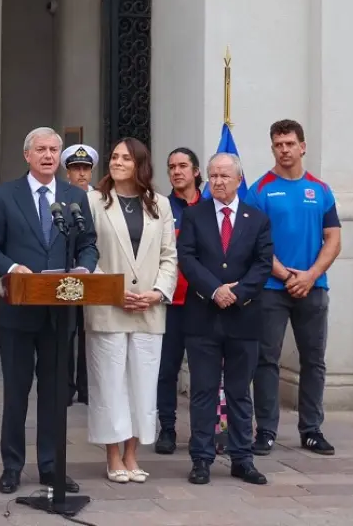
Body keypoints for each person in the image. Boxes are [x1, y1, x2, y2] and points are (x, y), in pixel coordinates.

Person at [0, 126, 99, 495]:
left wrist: (85, 268)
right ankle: (12, 466)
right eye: (41, 150)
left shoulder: (74, 196)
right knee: (17, 392)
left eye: (53, 150)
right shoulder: (4, 195)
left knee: (54, 394)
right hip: (19, 309)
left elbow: (89, 242)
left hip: (60, 312)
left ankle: (51, 466)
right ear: (27, 155)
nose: (48, 156)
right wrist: (13, 269)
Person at [83, 137, 177, 484]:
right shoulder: (94, 201)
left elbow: (169, 256)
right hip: (109, 308)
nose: (117, 162)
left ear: (140, 164)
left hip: (148, 310)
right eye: (114, 157)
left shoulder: (160, 205)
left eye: (125, 158)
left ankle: (132, 453)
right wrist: (110, 291)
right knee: (109, 383)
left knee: (142, 384)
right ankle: (112, 455)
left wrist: (157, 292)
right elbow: (84, 253)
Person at [246, 119, 342, 456]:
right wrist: (288, 276)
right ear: (272, 148)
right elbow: (257, 244)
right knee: (266, 360)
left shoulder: (321, 189)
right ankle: (267, 431)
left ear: (303, 146)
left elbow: (333, 239)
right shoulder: (259, 191)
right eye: (278, 144)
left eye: (289, 143)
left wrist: (310, 275)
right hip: (272, 289)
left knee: (313, 361)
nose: (284, 150)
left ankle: (312, 429)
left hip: (313, 288)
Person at [177, 152, 273, 486]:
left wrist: (239, 292)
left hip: (243, 317)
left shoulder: (257, 218)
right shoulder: (194, 216)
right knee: (203, 391)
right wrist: (214, 289)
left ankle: (242, 458)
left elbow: (263, 264)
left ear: (238, 180)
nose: (218, 182)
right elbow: (186, 258)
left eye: (225, 176)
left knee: (239, 392)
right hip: (203, 316)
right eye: (213, 176)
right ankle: (201, 458)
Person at [155, 147, 203, 454]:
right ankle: (168, 429)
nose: (176, 171)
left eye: (183, 165)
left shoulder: (211, 206)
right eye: (171, 166)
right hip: (170, 302)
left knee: (203, 371)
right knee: (166, 370)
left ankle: (203, 430)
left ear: (196, 171)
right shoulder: (159, 207)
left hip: (201, 302)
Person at [60, 143, 99, 405]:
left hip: (94, 274)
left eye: (86, 168)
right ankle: (65, 387)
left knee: (91, 331)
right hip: (67, 274)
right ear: (68, 173)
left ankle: (87, 387)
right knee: (67, 331)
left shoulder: (101, 199)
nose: (81, 174)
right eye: (76, 169)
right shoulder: (62, 198)